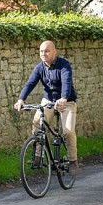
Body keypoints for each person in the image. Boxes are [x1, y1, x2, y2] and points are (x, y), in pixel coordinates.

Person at [13, 40, 79, 174]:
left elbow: (66, 82)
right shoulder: (39, 67)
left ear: (54, 52)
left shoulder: (64, 65)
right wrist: (21, 99)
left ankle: (73, 161)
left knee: (68, 131)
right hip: (48, 101)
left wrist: (64, 98)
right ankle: (38, 156)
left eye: (47, 51)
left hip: (66, 102)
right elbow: (30, 83)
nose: (44, 54)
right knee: (37, 123)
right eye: (41, 51)